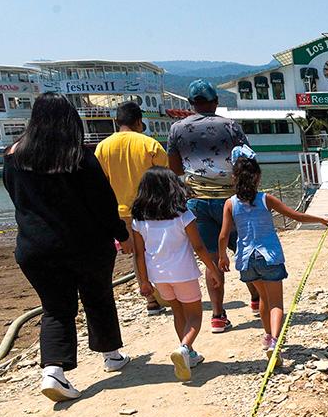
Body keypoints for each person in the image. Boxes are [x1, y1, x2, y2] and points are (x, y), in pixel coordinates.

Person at [2, 93, 130, 402]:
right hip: (86, 245)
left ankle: (53, 372)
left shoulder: (13, 156)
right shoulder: (80, 158)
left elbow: (16, 196)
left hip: (35, 248)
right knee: (98, 297)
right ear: (69, 120)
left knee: (56, 309)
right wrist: (121, 234)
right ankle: (111, 355)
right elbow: (102, 203)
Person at [218, 147, 328, 356]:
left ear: (234, 178)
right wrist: (320, 219)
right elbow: (296, 216)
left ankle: (267, 334)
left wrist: (222, 256)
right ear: (258, 177)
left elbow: (223, 235)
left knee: (263, 298)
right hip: (268, 256)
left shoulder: (230, 204)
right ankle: (274, 342)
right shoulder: (265, 199)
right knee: (276, 303)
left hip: (246, 259)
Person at [167, 79, 256, 333]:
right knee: (245, 250)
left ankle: (218, 316)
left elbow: (174, 169)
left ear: (191, 104)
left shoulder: (177, 129)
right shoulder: (230, 126)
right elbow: (246, 162)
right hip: (231, 199)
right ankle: (257, 299)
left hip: (197, 202)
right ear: (215, 102)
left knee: (213, 260)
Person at [131, 167, 220, 381]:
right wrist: (214, 270)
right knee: (195, 316)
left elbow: (139, 254)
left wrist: (143, 282)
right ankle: (184, 348)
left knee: (178, 313)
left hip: (158, 275)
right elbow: (199, 247)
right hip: (183, 272)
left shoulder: (139, 220)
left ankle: (188, 354)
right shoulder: (183, 215)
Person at [95, 100, 168, 314]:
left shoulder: (103, 147)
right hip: (151, 209)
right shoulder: (150, 145)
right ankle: (165, 294)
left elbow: (100, 183)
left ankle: (150, 300)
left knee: (138, 254)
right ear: (138, 121)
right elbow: (166, 178)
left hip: (121, 212)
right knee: (156, 252)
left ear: (117, 121)